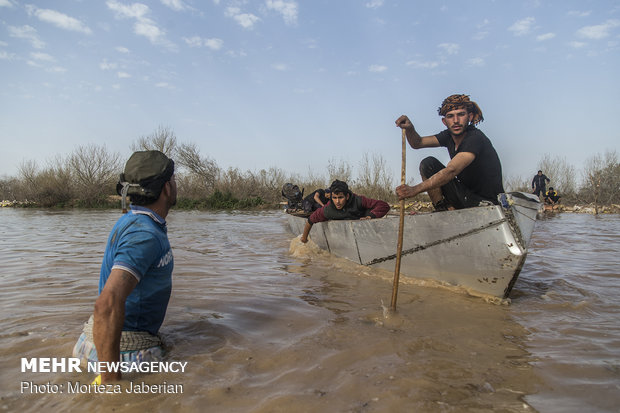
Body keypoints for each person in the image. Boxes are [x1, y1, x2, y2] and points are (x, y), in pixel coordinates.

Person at [73, 150, 177, 383]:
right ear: (167, 188)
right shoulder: (144, 234)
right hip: (126, 354)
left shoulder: (135, 220)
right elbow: (106, 304)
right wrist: (111, 383)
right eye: (173, 179)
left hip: (99, 347)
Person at [394, 94, 505, 210]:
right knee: (428, 164)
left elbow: (451, 170)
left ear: (470, 117)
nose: (456, 121)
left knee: (444, 172)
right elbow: (418, 143)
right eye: (450, 116)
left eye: (461, 115)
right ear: (444, 121)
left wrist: (415, 189)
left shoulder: (475, 138)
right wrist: (410, 129)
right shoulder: (448, 136)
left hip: (486, 203)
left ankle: (450, 209)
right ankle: (442, 209)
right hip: (465, 196)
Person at [300, 180, 390, 243]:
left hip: (364, 228)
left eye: (340, 197)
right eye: (334, 198)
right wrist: (304, 238)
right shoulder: (328, 209)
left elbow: (384, 205)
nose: (337, 202)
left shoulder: (358, 200)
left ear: (347, 196)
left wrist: (370, 216)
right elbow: (310, 220)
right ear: (331, 197)